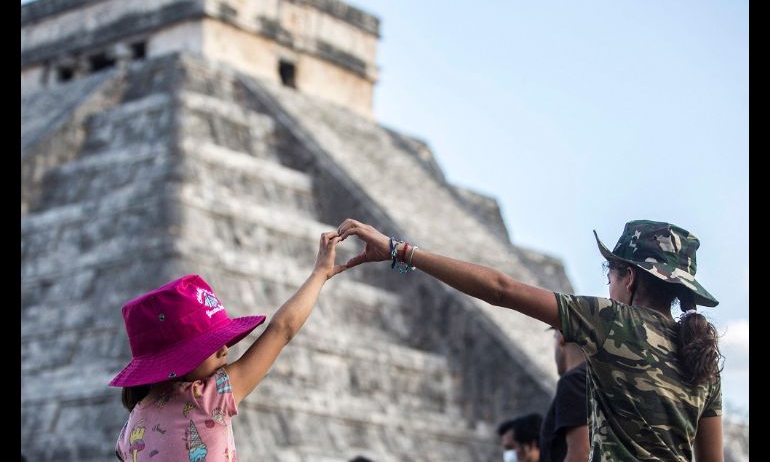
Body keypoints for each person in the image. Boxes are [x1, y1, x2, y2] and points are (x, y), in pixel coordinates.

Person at [336, 218, 724, 461]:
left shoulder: (611, 320)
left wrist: (398, 250)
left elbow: (500, 289)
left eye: (611, 276)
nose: (608, 287)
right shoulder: (702, 357)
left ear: (631, 278)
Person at [110, 232, 345, 461]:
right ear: (177, 359)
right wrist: (320, 273)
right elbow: (281, 329)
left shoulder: (130, 427)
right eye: (210, 345)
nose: (224, 349)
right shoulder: (207, 398)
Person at [540, 328, 588, 462]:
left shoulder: (575, 380)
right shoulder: (603, 378)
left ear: (561, 337)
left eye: (554, 337)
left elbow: (581, 455)